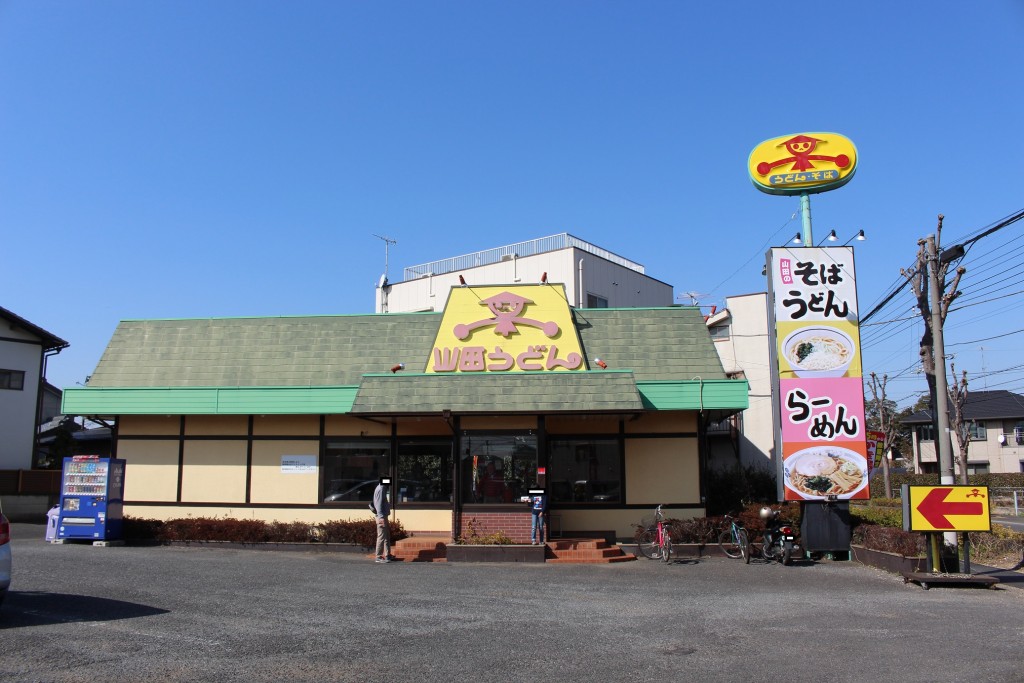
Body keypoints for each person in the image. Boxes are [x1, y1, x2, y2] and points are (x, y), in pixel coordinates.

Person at [373, 479, 392, 563]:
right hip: (381, 516)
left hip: (383, 515)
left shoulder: (382, 488)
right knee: (381, 536)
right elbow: (378, 504)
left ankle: (388, 555)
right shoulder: (381, 489)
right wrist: (381, 517)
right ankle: (378, 556)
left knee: (386, 536)